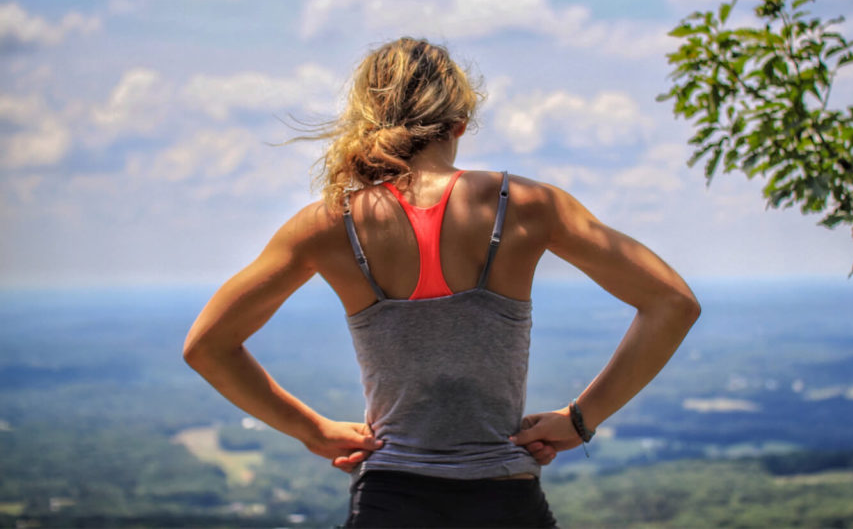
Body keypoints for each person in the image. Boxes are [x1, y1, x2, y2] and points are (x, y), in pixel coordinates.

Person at [183, 37, 701, 528]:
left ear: (370, 119)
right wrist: (580, 419)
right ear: (459, 122)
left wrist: (312, 431)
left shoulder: (328, 224)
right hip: (505, 500)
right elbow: (671, 303)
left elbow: (208, 346)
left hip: (389, 500)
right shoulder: (524, 206)